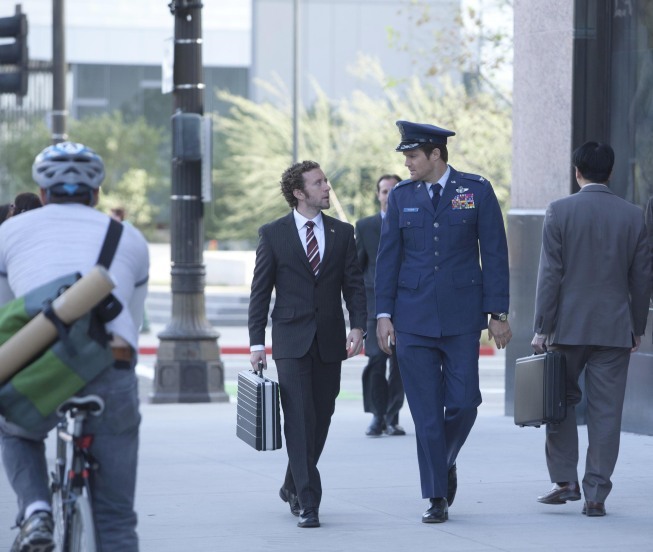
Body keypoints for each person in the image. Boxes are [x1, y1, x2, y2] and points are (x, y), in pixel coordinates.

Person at [0, 141, 149, 551]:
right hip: (111, 365)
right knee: (117, 519)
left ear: (43, 193)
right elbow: (131, 323)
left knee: (15, 431)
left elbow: (5, 316)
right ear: (96, 193)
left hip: (42, 364)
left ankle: (35, 512)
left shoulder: (9, 231)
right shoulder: (129, 237)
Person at [375, 120, 512, 524]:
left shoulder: (476, 190)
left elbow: (495, 253)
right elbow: (388, 259)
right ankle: (436, 495)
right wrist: (383, 315)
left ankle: (445, 459)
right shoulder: (400, 196)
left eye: (413, 155)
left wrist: (498, 313)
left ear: (436, 155)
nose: (407, 162)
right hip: (412, 319)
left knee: (465, 402)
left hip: (462, 318)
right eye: (405, 155)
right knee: (427, 414)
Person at [531, 141, 651, 517]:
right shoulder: (633, 216)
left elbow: (550, 275)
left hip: (566, 329)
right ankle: (596, 494)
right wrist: (637, 327)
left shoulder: (559, 211)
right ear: (611, 173)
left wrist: (541, 327)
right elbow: (642, 277)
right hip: (615, 329)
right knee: (606, 413)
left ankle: (564, 480)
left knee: (558, 403)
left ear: (576, 171)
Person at [248, 160, 366, 529]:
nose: (327, 187)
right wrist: (256, 343)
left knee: (321, 418)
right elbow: (260, 292)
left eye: (325, 181)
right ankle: (308, 500)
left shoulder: (343, 233)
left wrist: (359, 326)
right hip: (290, 340)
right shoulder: (273, 234)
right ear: (299, 193)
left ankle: (290, 483)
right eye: (318, 183)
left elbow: (354, 285)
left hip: (331, 341)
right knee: (299, 417)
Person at [355, 173, 406, 437]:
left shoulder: (411, 222)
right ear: (378, 195)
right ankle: (377, 416)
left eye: (394, 191)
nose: (389, 195)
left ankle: (392, 416)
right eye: (385, 191)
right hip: (375, 308)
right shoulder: (365, 226)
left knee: (400, 365)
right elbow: (357, 270)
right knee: (376, 360)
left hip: (405, 308)